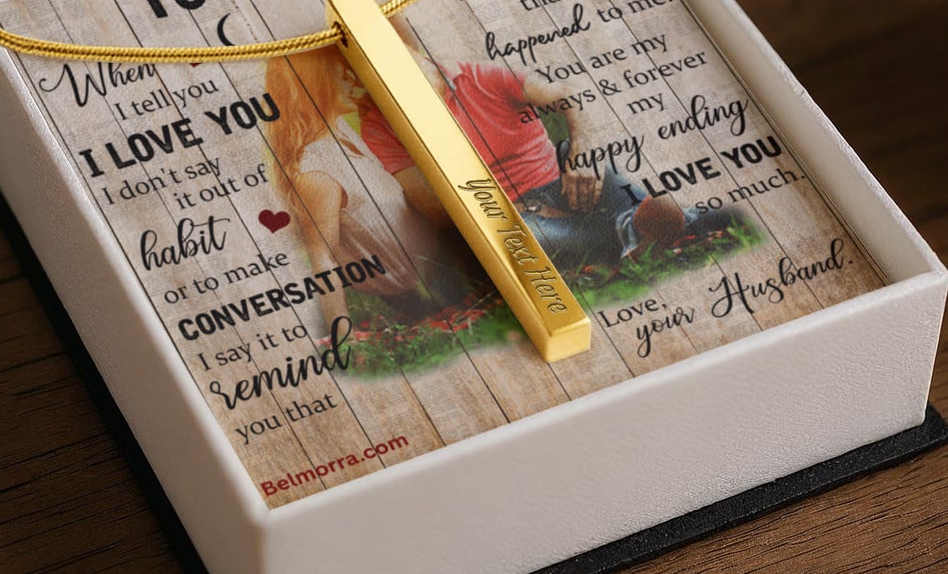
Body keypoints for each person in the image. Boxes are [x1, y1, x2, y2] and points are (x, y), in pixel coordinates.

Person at [360, 17, 733, 278]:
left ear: (416, 52)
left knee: (590, 156)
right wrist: (512, 208)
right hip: (510, 212)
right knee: (526, 240)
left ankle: (636, 229)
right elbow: (437, 209)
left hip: (563, 177)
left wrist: (581, 155)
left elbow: (572, 96)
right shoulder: (378, 125)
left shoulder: (478, 74)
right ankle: (639, 230)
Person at [264, 47, 471, 335]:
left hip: (443, 258)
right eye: (342, 77)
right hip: (420, 288)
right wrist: (342, 331)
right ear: (317, 90)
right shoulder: (316, 173)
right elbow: (322, 257)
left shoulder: (343, 132)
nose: (353, 82)